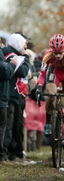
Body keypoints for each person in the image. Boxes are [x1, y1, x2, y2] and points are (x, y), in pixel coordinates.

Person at [35, 34, 64, 156]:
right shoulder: (47, 55)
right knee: (50, 94)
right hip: (55, 72)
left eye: (60, 53)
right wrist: (39, 88)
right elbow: (41, 75)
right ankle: (48, 123)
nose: (57, 56)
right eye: (55, 53)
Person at [2, 33, 30, 162]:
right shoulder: (11, 55)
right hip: (11, 95)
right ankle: (9, 154)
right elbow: (23, 71)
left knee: (15, 125)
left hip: (15, 94)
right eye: (23, 44)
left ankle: (13, 152)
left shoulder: (12, 54)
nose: (25, 47)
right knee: (9, 126)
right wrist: (26, 57)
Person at [0, 46, 17, 165]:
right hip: (1, 98)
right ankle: (1, 157)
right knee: (1, 128)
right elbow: (5, 72)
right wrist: (12, 64)